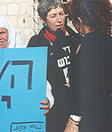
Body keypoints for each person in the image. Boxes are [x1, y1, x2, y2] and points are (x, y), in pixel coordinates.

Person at [0, 14, 55, 114]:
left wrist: (48, 100)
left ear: (10, 33)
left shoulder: (26, 57)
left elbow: (44, 86)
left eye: (2, 32)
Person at [27, 0, 79, 131]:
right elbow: (32, 77)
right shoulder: (36, 43)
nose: (59, 19)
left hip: (75, 107)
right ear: (42, 19)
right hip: (53, 110)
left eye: (61, 14)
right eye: (53, 16)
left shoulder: (75, 38)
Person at [64, 0, 112, 131]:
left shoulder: (87, 45)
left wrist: (73, 122)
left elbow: (84, 88)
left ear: (80, 21)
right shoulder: (109, 41)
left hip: (92, 119)